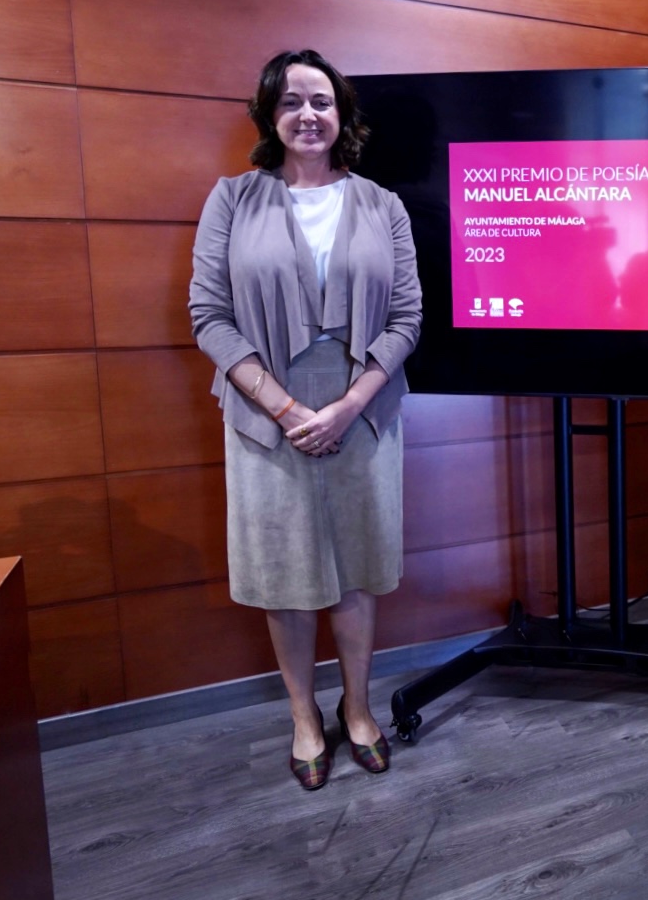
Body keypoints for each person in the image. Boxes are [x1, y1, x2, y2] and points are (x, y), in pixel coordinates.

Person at [189, 49, 422, 790]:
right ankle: (301, 716)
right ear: (269, 116)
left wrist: (349, 404)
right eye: (290, 102)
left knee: (356, 570)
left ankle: (357, 709)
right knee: (287, 577)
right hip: (265, 415)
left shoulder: (384, 204)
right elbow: (208, 317)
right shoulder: (232, 199)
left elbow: (408, 318)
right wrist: (289, 409)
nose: (308, 114)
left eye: (320, 101)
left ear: (343, 114)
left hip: (365, 409)